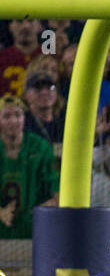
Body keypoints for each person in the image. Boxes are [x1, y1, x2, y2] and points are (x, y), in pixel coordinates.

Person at [0, 94, 55, 239]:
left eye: (18, 115)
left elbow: (57, 188)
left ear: (24, 118)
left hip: (34, 230)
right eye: (6, 116)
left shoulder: (40, 147)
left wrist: (45, 208)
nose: (13, 121)